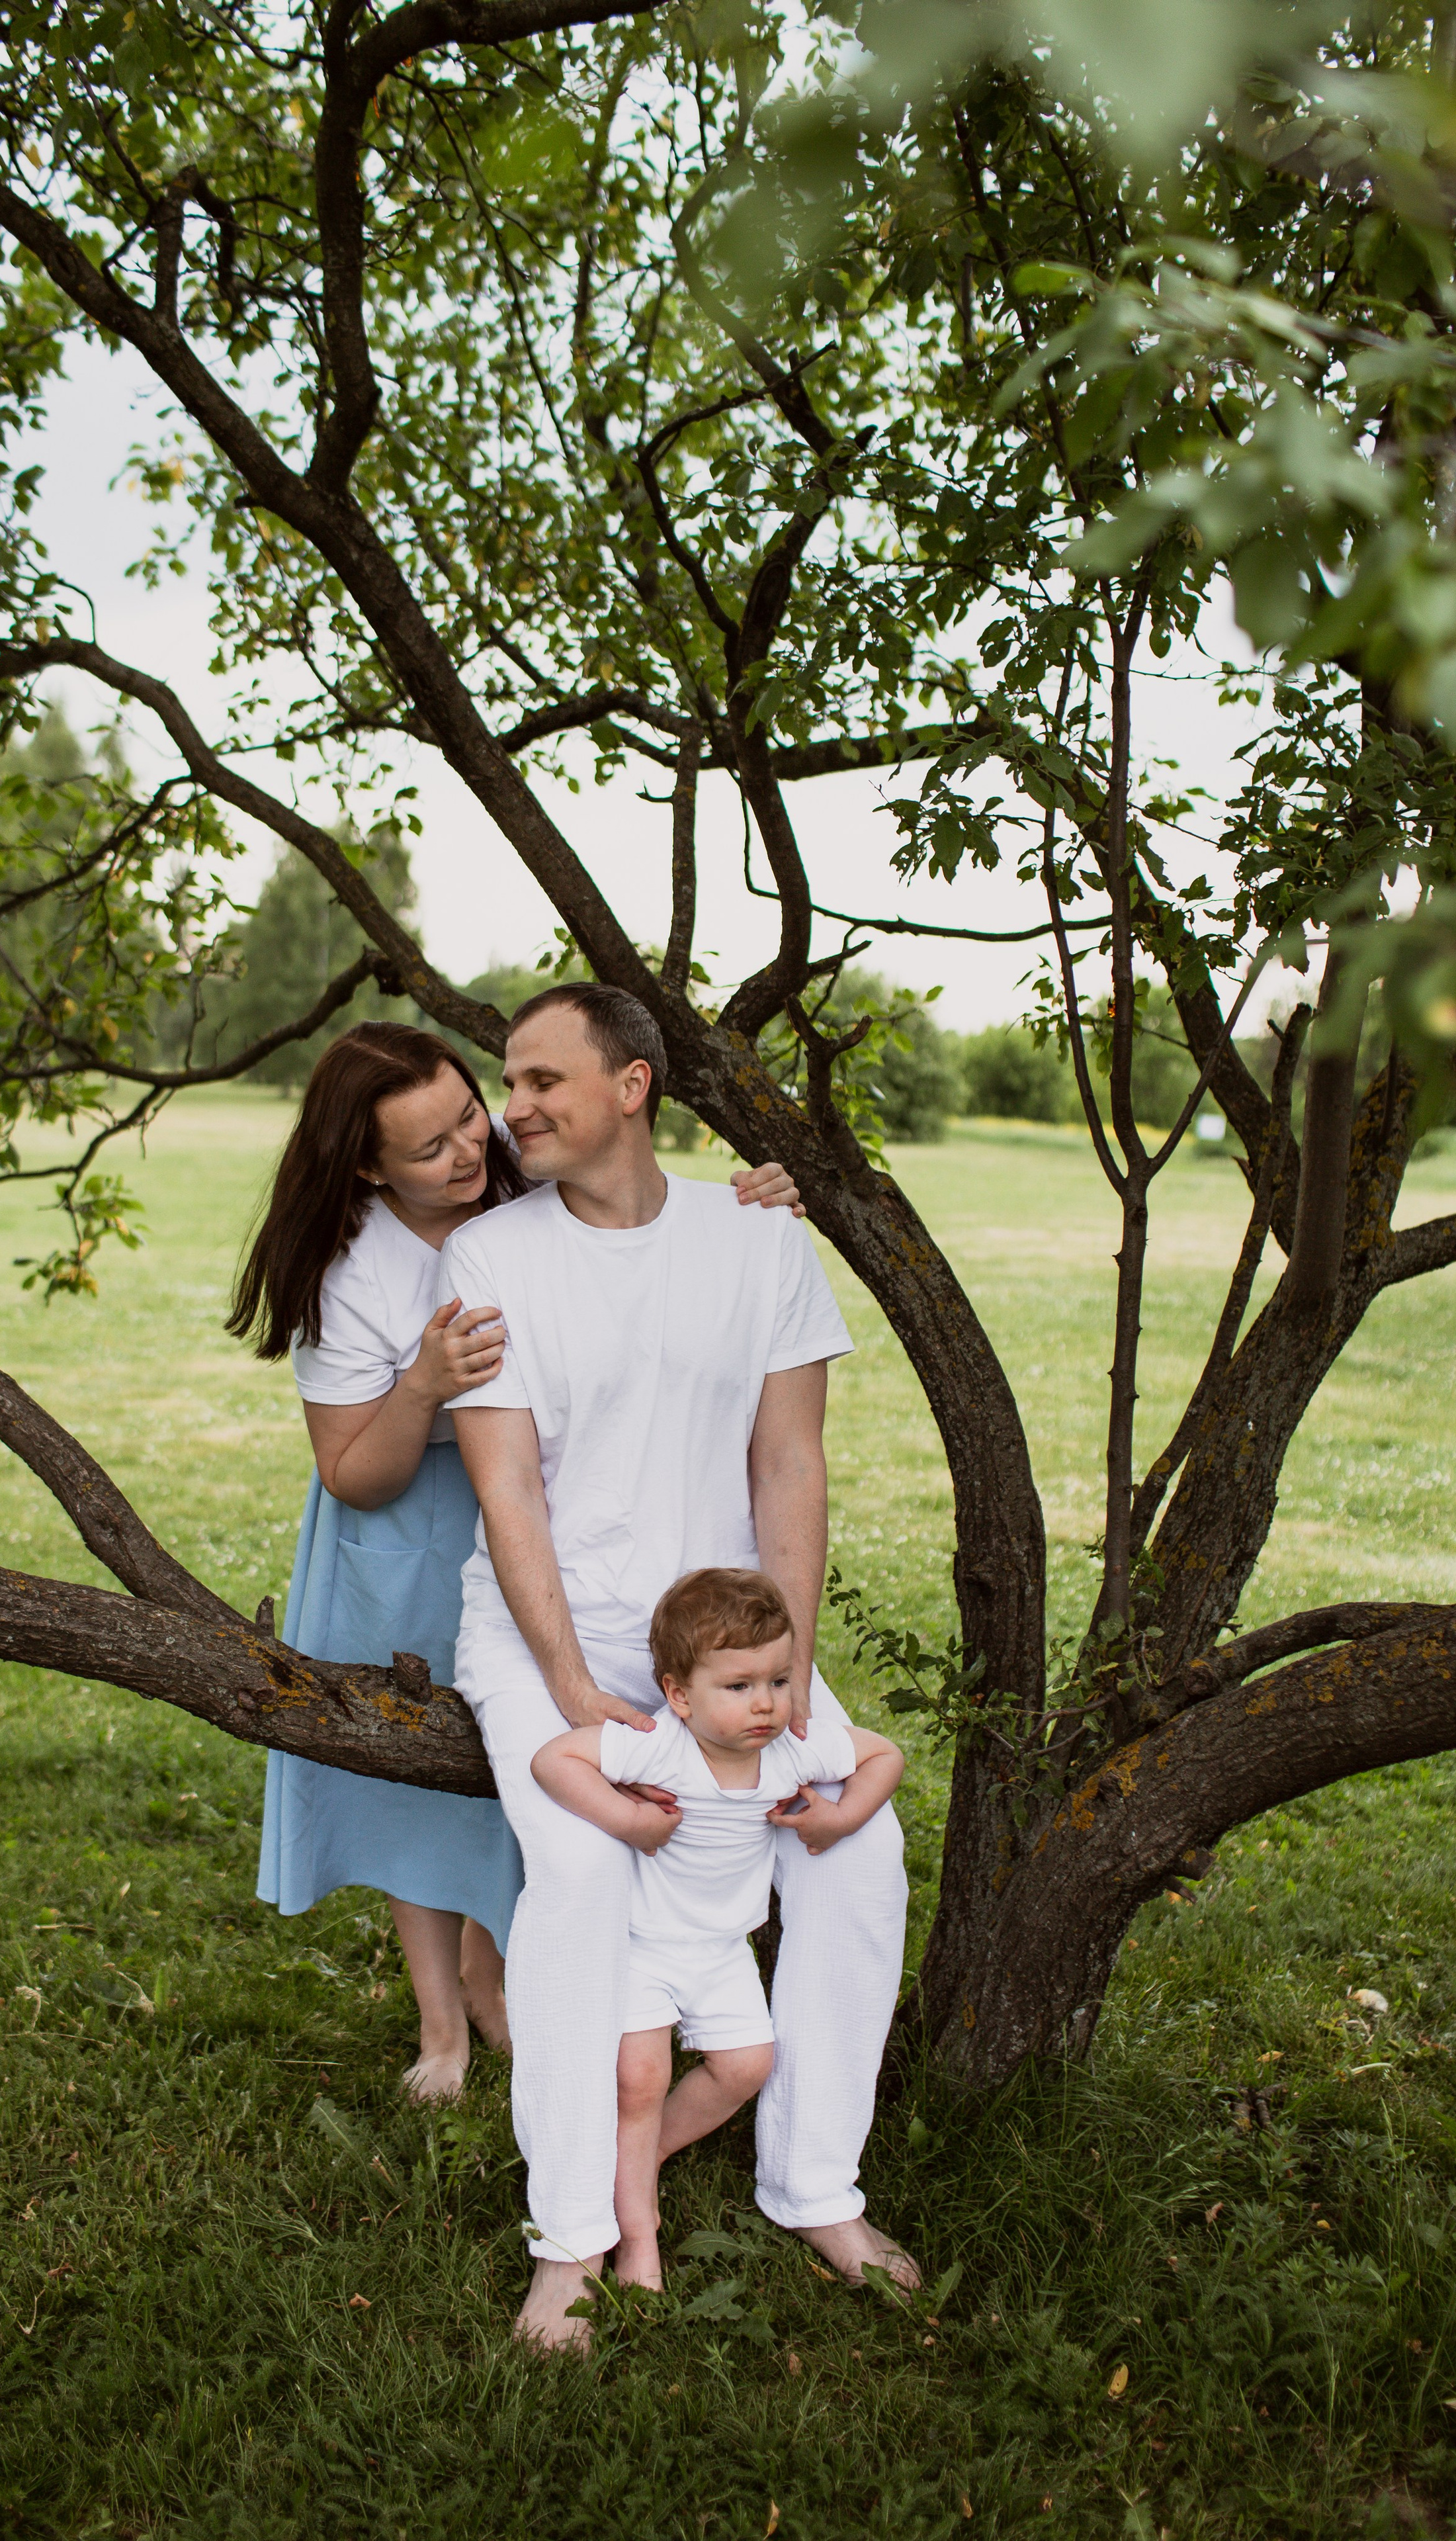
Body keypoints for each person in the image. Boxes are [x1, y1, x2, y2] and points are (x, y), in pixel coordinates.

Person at [440, 981, 918, 2348]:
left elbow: (788, 1461)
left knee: (855, 1851)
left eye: (540, 1080)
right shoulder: (491, 1261)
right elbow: (509, 1493)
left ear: (633, 1083)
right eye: (506, 1083)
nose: (512, 1106)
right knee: (585, 1870)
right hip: (556, 1631)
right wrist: (574, 1688)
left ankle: (813, 2183)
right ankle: (573, 2239)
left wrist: (788, 1686)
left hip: (727, 1638)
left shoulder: (755, 1235)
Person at [229, 1019, 804, 2102]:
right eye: (429, 1148)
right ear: (367, 1167)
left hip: (544, 1513)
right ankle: (442, 2024)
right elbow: (353, 1471)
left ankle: (497, 1983)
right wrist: (422, 1384)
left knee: (504, 1774)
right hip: (407, 1535)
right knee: (414, 1771)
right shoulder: (349, 1270)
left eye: (467, 1117)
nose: (467, 1150)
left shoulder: (517, 1183)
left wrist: (742, 1207)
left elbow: (635, 1221)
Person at [533, 1568, 906, 2291]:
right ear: (679, 1696)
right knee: (639, 2078)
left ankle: (638, 2160)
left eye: (776, 1681)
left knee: (746, 2067)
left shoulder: (792, 1749)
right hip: (641, 1947)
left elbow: (884, 1754)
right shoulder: (660, 1747)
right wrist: (630, 1821)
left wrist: (842, 1816)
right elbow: (554, 1760)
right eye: (738, 1687)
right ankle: (640, 2237)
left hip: (721, 1952)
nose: (764, 1704)